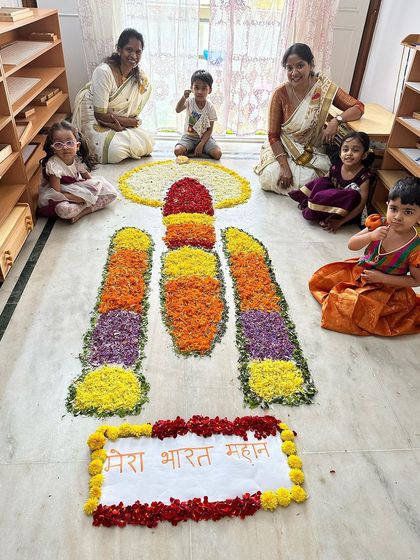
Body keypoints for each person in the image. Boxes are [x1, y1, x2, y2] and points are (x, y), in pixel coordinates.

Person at [309, 177, 420, 336]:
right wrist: (370, 236)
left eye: (408, 212)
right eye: (394, 209)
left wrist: (382, 278)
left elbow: (416, 280)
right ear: (387, 206)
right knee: (320, 280)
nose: (397, 217)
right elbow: (352, 244)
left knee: (354, 305)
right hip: (360, 272)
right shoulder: (378, 224)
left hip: (387, 288)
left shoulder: (416, 248)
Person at [254, 43, 365, 194]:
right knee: (269, 177)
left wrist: (336, 120)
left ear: (311, 65)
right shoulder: (279, 94)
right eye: (289, 68)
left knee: (311, 180)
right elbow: (273, 136)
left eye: (300, 66)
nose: (294, 72)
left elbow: (358, 107)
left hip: (310, 148)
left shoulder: (324, 87)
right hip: (284, 145)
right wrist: (284, 166)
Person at [72, 28, 154, 164]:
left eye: (138, 52)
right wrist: (132, 123)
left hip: (117, 120)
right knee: (115, 152)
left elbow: (130, 110)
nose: (134, 55)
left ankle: (121, 136)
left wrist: (121, 124)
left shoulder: (138, 77)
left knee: (148, 143)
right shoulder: (104, 72)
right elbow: (100, 115)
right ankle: (118, 138)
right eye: (129, 50)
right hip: (96, 119)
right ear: (119, 49)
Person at [289, 132, 374, 232]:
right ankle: (312, 205)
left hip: (346, 212)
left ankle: (323, 214)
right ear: (340, 153)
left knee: (353, 194)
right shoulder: (336, 167)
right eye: (345, 150)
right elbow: (321, 185)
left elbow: (360, 206)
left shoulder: (364, 176)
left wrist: (340, 222)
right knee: (322, 181)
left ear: (364, 155)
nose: (349, 153)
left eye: (355, 150)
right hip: (333, 203)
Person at [37, 121, 117, 223]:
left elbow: (89, 179)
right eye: (58, 144)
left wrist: (91, 191)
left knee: (111, 192)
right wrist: (81, 198)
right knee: (63, 210)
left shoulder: (76, 159)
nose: (65, 147)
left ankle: (82, 211)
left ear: (77, 146)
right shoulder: (54, 166)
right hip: (63, 195)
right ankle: (82, 206)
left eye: (69, 143)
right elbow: (56, 193)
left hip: (78, 188)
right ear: (53, 149)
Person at [174, 69, 222, 160]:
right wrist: (184, 97)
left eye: (204, 88)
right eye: (196, 88)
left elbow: (209, 130)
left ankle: (199, 149)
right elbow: (178, 110)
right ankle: (194, 149)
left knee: (217, 154)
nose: (200, 91)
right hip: (189, 137)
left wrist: (201, 144)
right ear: (191, 88)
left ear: (210, 90)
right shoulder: (189, 102)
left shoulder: (210, 107)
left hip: (205, 138)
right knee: (177, 151)